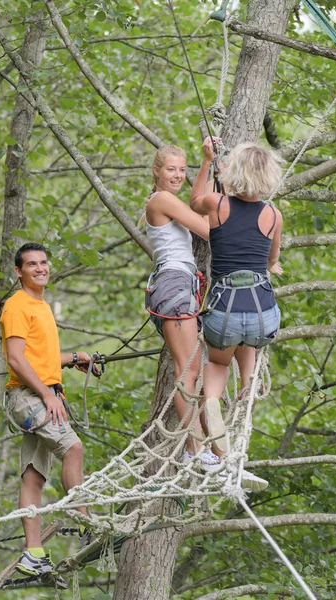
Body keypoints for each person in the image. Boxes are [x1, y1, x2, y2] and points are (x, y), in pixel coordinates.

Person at [190, 138, 284, 492]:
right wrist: (270, 264)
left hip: (223, 312)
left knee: (216, 365)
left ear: (235, 172)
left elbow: (193, 201)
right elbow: (271, 259)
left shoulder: (217, 204)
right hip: (261, 314)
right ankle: (247, 387)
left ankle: (214, 402)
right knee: (251, 343)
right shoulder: (273, 215)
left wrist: (205, 161)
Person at [0, 242, 93, 586]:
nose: (40, 268)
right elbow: (16, 359)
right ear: (19, 271)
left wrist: (75, 357)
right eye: (32, 264)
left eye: (44, 262)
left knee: (34, 477)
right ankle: (86, 523)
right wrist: (45, 395)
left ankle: (33, 555)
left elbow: (40, 356)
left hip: (41, 392)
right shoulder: (16, 306)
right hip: (28, 396)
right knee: (73, 448)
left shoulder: (40, 305)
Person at [144, 144, 219, 472]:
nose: (178, 175)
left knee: (198, 373)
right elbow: (206, 228)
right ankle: (195, 449)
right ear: (157, 171)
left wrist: (205, 164)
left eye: (182, 170)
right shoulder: (161, 200)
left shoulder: (170, 201)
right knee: (187, 370)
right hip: (173, 285)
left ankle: (210, 451)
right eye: (171, 169)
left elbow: (197, 208)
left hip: (180, 284)